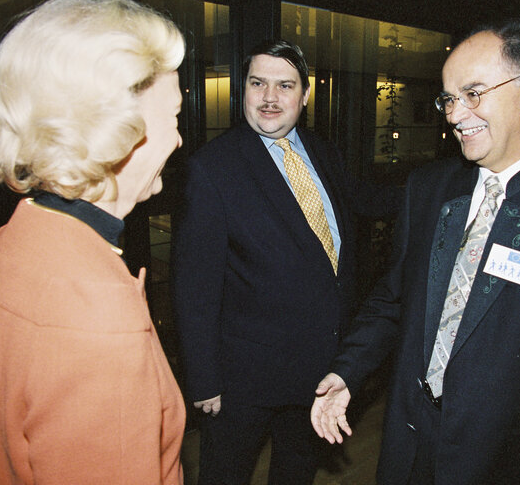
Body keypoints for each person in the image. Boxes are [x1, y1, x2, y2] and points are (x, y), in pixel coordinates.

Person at [311, 20, 520, 485]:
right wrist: (347, 372)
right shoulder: (429, 188)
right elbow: (394, 301)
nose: (455, 115)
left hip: (508, 461)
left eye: (473, 93)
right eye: (449, 99)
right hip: (408, 444)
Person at [0, 0, 186, 484]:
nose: (179, 140)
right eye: (175, 118)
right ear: (120, 131)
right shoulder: (95, 319)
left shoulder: (17, 240)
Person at [171, 40, 399, 484]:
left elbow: (367, 200)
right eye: (258, 83)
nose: (270, 98)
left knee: (296, 473)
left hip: (318, 369)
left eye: (284, 85)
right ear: (244, 90)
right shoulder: (213, 169)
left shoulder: (321, 150)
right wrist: (203, 380)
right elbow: (194, 287)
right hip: (243, 382)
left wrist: (443, 189)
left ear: (305, 95)